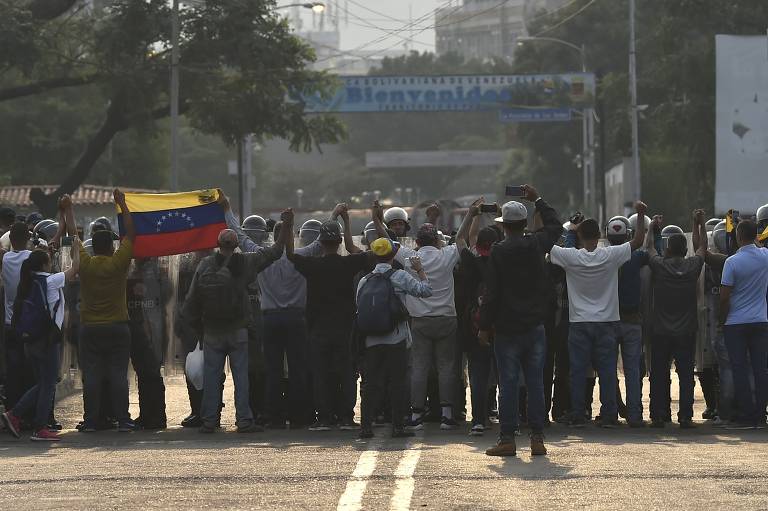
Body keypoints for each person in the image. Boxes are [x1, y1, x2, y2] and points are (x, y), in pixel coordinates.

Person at [184, 197, 288, 434]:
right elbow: (275, 252)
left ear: (218, 244)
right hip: (238, 330)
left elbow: (191, 300)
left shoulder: (205, 265)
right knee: (242, 377)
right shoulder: (245, 263)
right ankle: (244, 420)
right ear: (235, 245)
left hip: (212, 331)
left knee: (212, 377)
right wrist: (286, 227)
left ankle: (209, 420)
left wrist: (198, 329)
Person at [373, 199, 472, 431]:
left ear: (416, 242)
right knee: (447, 367)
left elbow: (387, 241)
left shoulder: (410, 257)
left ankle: (417, 413)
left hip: (419, 320)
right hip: (447, 318)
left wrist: (377, 219)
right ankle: (447, 414)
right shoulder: (447, 255)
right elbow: (461, 238)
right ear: (437, 241)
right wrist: (471, 214)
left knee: (419, 367)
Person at [478, 185, 562, 457]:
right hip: (535, 325)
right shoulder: (536, 244)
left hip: (506, 327)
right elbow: (555, 226)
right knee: (536, 383)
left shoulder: (498, 251)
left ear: (503, 226)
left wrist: (484, 326)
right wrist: (538, 199)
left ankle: (507, 439)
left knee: (509, 384)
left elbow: (492, 293)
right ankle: (537, 438)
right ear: (524, 224)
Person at [550, 201, 648, 428]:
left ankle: (578, 414)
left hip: (579, 322)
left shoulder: (571, 257)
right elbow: (638, 241)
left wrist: (569, 228)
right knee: (607, 371)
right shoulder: (610, 255)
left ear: (581, 236)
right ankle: (609, 415)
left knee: (577, 371)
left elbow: (548, 245)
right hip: (606, 322)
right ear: (600, 236)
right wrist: (641, 214)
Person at [287, 211, 372, 432]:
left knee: (321, 373)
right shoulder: (348, 264)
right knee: (347, 372)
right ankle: (346, 417)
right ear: (339, 241)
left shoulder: (312, 266)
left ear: (321, 242)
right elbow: (367, 253)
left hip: (318, 328)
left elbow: (290, 254)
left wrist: (288, 225)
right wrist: (347, 221)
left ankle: (324, 417)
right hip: (345, 327)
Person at [1, 239, 81, 441]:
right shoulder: (51, 280)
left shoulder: (28, 282)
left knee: (43, 383)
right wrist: (76, 249)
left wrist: (46, 253)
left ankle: (17, 416)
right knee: (48, 384)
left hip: (31, 340)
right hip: (47, 340)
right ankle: (35, 425)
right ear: (45, 264)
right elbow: (75, 269)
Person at [357, 237, 432, 439]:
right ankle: (398, 426)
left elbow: (360, 307)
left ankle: (365, 427)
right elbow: (426, 291)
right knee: (397, 382)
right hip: (397, 338)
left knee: (370, 384)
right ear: (392, 255)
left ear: (374, 256)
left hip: (371, 339)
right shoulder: (400, 276)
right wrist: (420, 270)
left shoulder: (365, 280)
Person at [78, 189, 136, 432]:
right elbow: (131, 233)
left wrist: (67, 210)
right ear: (111, 247)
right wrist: (122, 203)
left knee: (91, 377)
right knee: (118, 375)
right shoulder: (118, 263)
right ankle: (123, 419)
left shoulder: (85, 264)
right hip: (117, 327)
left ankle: (91, 420)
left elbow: (72, 236)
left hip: (90, 328)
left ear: (93, 248)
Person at [647, 211, 707, 428]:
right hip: (686, 330)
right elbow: (702, 248)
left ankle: (659, 414)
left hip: (661, 330)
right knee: (686, 375)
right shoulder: (692, 266)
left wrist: (652, 227)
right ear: (685, 250)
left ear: (668, 249)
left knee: (659, 373)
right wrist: (698, 224)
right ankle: (685, 416)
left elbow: (649, 248)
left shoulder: (660, 265)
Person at [719, 219, 768, 429]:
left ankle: (747, 415)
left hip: (736, 323)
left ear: (738, 237)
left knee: (739, 369)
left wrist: (722, 319)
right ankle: (760, 414)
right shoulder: (765, 256)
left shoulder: (732, 262)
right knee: (760, 369)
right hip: (761, 320)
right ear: (755, 236)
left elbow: (724, 297)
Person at [606, 215, 651, 427]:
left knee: (608, 370)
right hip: (632, 321)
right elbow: (652, 251)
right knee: (632, 370)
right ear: (628, 235)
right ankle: (634, 414)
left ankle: (610, 413)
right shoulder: (636, 257)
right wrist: (652, 229)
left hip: (608, 320)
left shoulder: (602, 256)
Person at [2, 222, 33, 411]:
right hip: (29, 324)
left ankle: (11, 412)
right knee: (30, 371)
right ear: (28, 238)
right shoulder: (32, 257)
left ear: (11, 239)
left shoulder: (5, 259)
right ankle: (26, 412)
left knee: (13, 371)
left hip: (9, 323)